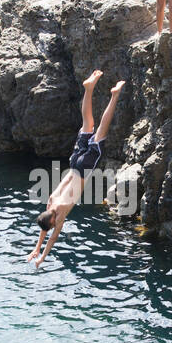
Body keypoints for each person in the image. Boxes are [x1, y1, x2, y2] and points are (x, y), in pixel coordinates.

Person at [28, 70, 125, 269]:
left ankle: (114, 95)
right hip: (73, 163)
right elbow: (45, 228)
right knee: (87, 124)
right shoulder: (50, 203)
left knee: (101, 132)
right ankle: (88, 89)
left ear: (54, 218)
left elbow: (53, 237)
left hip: (85, 168)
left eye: (54, 223)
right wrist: (36, 247)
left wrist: (42, 257)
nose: (55, 225)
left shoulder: (61, 212)